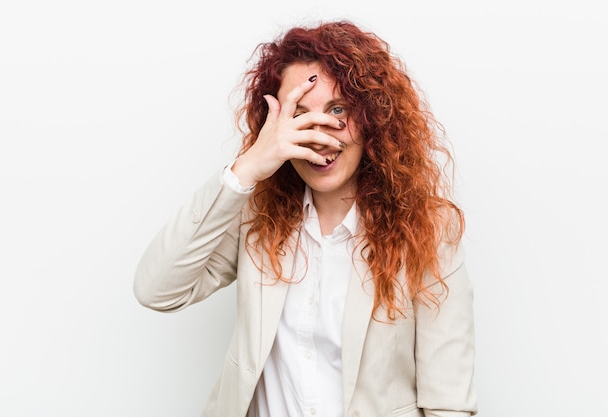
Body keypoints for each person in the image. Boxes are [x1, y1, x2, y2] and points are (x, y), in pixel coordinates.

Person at [134, 20, 477, 417]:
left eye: (338, 110)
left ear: (371, 120)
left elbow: (448, 404)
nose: (319, 135)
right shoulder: (257, 219)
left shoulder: (429, 231)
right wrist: (246, 168)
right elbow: (157, 289)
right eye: (299, 115)